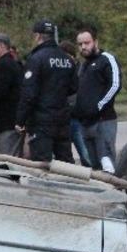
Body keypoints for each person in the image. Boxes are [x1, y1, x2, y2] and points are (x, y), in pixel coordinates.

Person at [15, 20, 78, 163]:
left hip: (41, 120)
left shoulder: (36, 58)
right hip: (62, 118)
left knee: (42, 162)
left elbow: (29, 93)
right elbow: (74, 87)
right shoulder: (66, 59)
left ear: (37, 36)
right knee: (65, 162)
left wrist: (20, 120)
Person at [74, 28, 122, 173]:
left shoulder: (106, 59)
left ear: (95, 42)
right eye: (80, 44)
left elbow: (115, 85)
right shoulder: (83, 65)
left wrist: (99, 106)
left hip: (103, 120)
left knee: (107, 163)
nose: (83, 47)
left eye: (87, 43)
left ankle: (117, 190)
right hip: (85, 123)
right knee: (93, 167)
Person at [59, 40, 93, 167]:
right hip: (64, 117)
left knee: (86, 155)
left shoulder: (82, 69)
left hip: (78, 118)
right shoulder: (60, 71)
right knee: (65, 156)